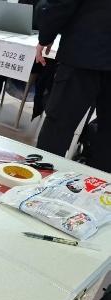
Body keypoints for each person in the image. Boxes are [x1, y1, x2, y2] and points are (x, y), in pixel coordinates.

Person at [36, 0, 111, 172]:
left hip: (84, 54)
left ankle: (42, 179)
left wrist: (46, 36)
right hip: (87, 51)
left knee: (59, 125)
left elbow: (61, 4)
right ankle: (100, 184)